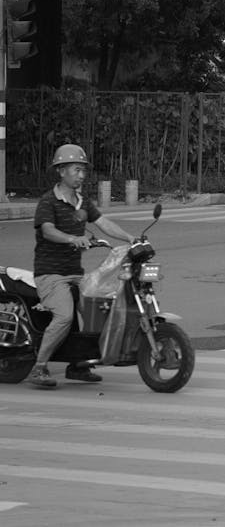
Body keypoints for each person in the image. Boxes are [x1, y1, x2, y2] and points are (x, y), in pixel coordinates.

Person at [29, 143, 135, 390]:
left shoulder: (82, 202)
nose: (81, 175)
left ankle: (78, 364)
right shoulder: (48, 201)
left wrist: (130, 238)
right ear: (61, 171)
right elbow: (47, 231)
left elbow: (104, 223)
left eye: (83, 171)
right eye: (77, 170)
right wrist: (72, 238)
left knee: (101, 306)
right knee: (65, 316)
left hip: (75, 274)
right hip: (50, 274)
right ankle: (39, 367)